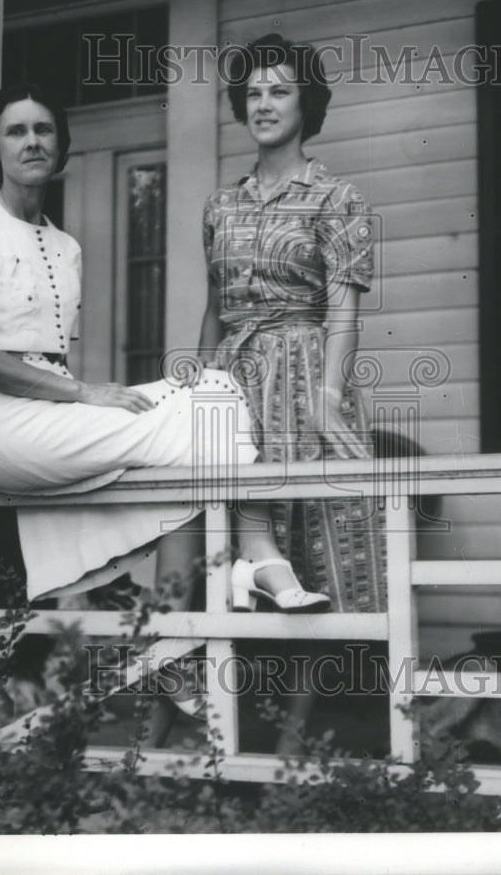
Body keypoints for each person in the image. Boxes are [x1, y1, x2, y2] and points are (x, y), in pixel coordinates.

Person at [0, 82, 331, 623]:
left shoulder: (65, 246)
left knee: (214, 388)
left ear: (61, 146)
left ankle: (198, 609)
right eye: (15, 132)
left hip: (50, 419)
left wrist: (83, 400)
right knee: (199, 428)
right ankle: (246, 570)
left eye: (44, 130)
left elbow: (53, 359)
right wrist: (87, 395)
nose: (31, 143)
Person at [200, 34, 386, 614]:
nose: (263, 104)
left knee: (323, 526)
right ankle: (233, 690)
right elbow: (214, 305)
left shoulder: (337, 197)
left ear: (306, 104)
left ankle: (331, 691)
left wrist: (329, 394)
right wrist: (201, 380)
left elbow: (343, 308)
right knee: (220, 526)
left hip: (307, 371)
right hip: (233, 377)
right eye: (253, 93)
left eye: (279, 91)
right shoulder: (220, 206)